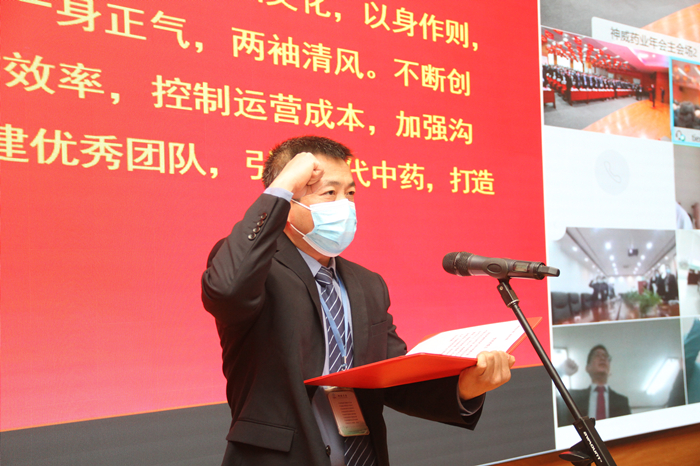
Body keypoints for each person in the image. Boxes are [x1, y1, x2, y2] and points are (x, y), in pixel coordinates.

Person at [201, 135, 514, 466]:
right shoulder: (257, 270)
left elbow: (391, 378)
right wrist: (281, 187)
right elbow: (226, 289)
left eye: (350, 193)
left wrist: (465, 387)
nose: (344, 205)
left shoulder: (367, 283)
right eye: (329, 193)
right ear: (289, 202)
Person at [556, 345, 631, 427]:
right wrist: (560, 371)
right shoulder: (572, 397)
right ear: (587, 368)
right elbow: (550, 408)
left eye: (605, 356)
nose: (602, 358)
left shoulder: (622, 401)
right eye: (597, 355)